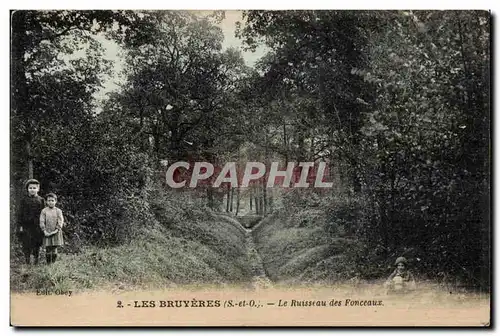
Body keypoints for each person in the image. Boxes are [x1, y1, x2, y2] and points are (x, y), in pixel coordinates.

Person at [17, 179, 45, 265]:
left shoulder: (41, 200)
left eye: (34, 188)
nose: (32, 189)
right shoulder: (24, 200)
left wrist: (43, 225)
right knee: (26, 243)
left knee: (37, 243)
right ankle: (27, 261)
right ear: (27, 189)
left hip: (37, 226)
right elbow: (20, 214)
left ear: (38, 189)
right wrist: (20, 225)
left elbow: (44, 214)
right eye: (30, 188)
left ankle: (36, 260)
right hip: (27, 226)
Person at [39, 193, 64, 265]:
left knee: (54, 248)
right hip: (47, 232)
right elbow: (42, 221)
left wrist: (56, 230)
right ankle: (48, 263)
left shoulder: (58, 211)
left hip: (56, 232)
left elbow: (60, 220)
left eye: (52, 200)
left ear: (55, 201)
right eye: (49, 200)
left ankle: (53, 263)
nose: (50, 202)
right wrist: (44, 231)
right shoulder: (44, 211)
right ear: (46, 202)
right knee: (48, 248)